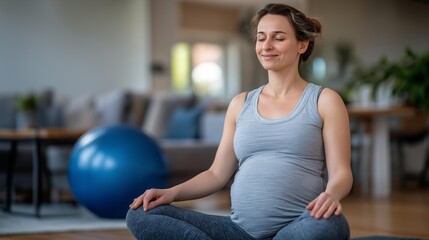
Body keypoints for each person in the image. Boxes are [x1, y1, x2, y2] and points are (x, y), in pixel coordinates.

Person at [126, 3, 352, 240]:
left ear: (302, 45)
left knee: (331, 225)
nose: (266, 46)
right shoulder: (240, 104)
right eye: (261, 38)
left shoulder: (324, 100)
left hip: (297, 229)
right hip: (238, 232)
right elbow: (216, 174)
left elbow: (341, 173)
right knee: (141, 213)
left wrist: (332, 195)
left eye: (278, 38)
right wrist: (170, 193)